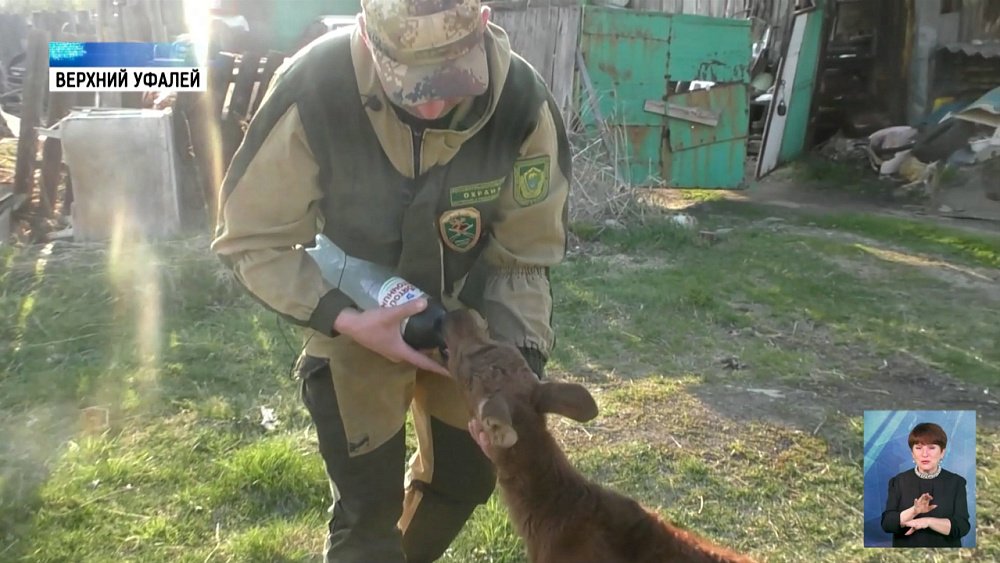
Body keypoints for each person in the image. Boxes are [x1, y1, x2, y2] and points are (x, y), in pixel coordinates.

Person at [210, 0, 571, 561]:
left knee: (464, 481)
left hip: (470, 333)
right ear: (365, 36)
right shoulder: (315, 88)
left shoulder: (521, 104)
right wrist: (346, 319)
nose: (430, 103)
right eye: (408, 83)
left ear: (483, 25)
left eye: (451, 80)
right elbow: (253, 240)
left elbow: (521, 261)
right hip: (352, 313)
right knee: (366, 514)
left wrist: (512, 369)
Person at [880, 422, 971, 547]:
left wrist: (928, 521)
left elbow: (962, 526)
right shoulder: (898, 481)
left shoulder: (956, 483)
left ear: (942, 452)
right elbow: (887, 524)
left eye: (931, 448)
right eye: (918, 448)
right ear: (912, 453)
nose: (924, 454)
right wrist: (914, 511)